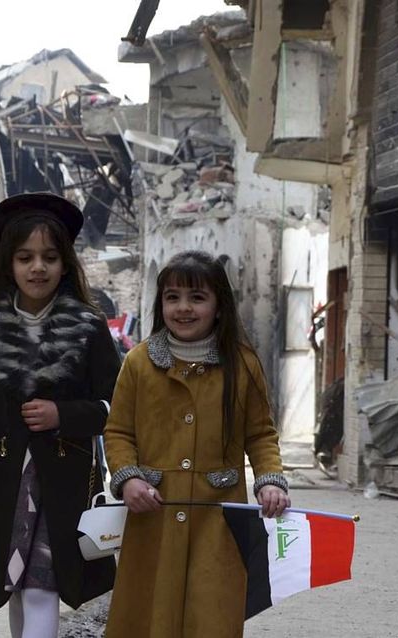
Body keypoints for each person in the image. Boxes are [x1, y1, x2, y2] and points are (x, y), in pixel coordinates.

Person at [0, 192, 120, 638]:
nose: (38, 267)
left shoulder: (88, 329)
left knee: (42, 585)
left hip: (64, 481)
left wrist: (63, 415)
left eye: (50, 257)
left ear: (65, 264)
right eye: (25, 257)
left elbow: (120, 407)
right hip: (2, 480)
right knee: (16, 583)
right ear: (8, 265)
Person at [103, 250, 291, 638]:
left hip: (218, 520)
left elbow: (260, 434)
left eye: (197, 298)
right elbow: (119, 432)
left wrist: (270, 480)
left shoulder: (243, 364)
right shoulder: (138, 363)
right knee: (147, 616)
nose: (183, 308)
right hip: (152, 515)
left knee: (212, 616)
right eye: (172, 297)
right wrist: (129, 480)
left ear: (220, 306)